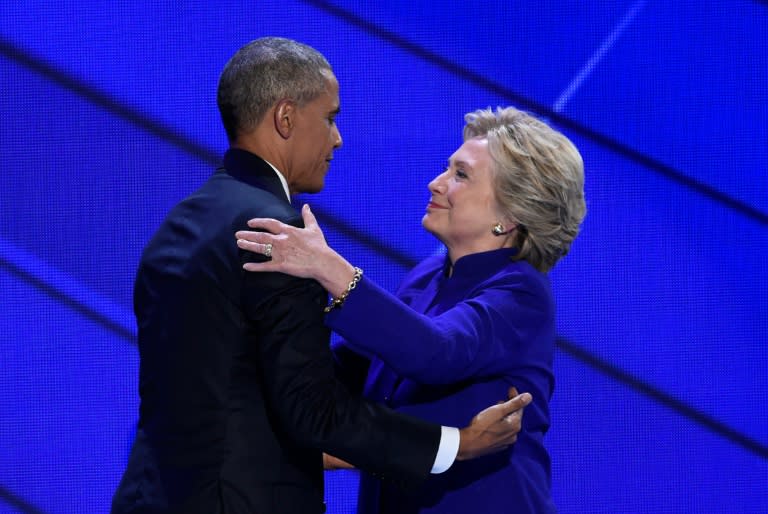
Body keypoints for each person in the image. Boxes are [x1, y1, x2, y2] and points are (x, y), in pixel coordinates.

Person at [111, 38, 533, 514]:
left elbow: (240, 387)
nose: (338, 139)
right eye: (330, 118)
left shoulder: (182, 222)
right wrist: (455, 445)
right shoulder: (278, 236)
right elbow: (313, 408)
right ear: (286, 118)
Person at [235, 105, 586, 513]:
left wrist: (327, 266)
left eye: (461, 175)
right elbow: (357, 368)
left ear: (508, 216)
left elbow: (435, 352)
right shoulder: (430, 274)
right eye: (447, 168)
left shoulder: (522, 296)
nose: (436, 183)